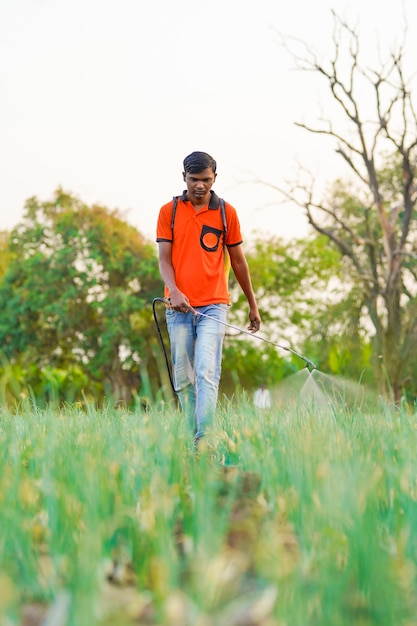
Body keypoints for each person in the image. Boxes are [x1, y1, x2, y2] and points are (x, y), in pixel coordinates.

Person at [156, 151, 261, 445]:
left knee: (206, 370)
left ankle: (204, 438)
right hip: (177, 308)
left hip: (214, 306)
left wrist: (252, 305)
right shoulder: (169, 212)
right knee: (183, 377)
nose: (199, 186)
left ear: (214, 178)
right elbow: (164, 259)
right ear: (184, 178)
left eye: (205, 179)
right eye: (194, 179)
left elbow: (239, 262)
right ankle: (191, 436)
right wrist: (174, 291)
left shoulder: (227, 213)